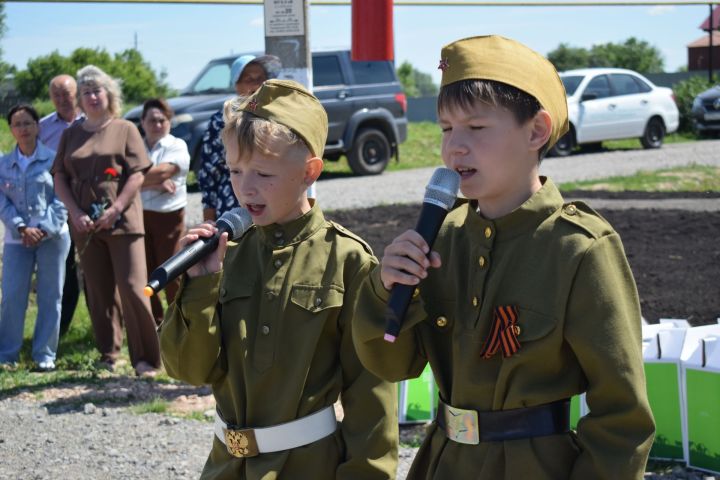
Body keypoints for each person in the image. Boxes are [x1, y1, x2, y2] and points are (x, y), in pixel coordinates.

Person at [352, 35, 655, 479]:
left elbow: (622, 415)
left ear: (536, 131)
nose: (454, 147)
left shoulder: (578, 248)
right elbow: (393, 364)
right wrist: (385, 290)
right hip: (444, 464)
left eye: (475, 128)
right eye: (445, 129)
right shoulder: (442, 239)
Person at [159, 80, 398, 479]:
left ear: (310, 171)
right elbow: (189, 369)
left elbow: (370, 394)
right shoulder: (225, 253)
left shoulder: (347, 260)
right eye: (235, 170)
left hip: (307, 466)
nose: (245, 187)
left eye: (263, 173)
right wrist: (201, 284)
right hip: (226, 466)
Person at [52, 65, 161, 377]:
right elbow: (59, 176)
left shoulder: (125, 128)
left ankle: (146, 359)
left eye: (97, 90)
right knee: (99, 291)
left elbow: (138, 173)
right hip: (86, 227)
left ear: (109, 95)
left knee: (133, 287)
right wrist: (75, 212)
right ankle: (109, 353)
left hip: (123, 223)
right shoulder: (70, 134)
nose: (92, 96)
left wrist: (116, 207)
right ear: (80, 100)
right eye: (85, 92)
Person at [0, 105, 71, 371]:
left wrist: (43, 228)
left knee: (51, 295)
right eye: (17, 124)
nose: (23, 129)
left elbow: (63, 197)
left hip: (52, 237)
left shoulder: (55, 159)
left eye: (28, 123)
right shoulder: (3, 164)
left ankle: (44, 355)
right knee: (12, 295)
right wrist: (21, 227)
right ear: (11, 130)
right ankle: (7, 354)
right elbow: (2, 201)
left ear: (38, 126)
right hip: (17, 239)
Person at [197, 54, 280, 222]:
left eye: (261, 79)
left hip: (273, 205)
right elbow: (208, 172)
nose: (256, 85)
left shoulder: (278, 117)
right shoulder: (222, 120)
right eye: (249, 79)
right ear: (237, 84)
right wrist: (209, 216)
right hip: (233, 207)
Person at [39, 74, 86, 337]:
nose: (61, 99)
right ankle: (61, 330)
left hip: (89, 207)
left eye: (66, 93)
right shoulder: (43, 128)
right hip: (56, 209)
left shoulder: (90, 122)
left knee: (94, 273)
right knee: (64, 273)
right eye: (56, 95)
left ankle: (104, 331)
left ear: (76, 94)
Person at [139, 98, 190, 325]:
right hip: (139, 217)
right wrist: (154, 184)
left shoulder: (177, 145)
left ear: (169, 122)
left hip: (168, 217)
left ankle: (180, 321)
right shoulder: (136, 146)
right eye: (152, 120)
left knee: (172, 273)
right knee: (143, 273)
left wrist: (138, 180)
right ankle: (156, 323)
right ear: (142, 122)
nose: (157, 125)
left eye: (162, 120)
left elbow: (163, 173)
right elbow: (118, 179)